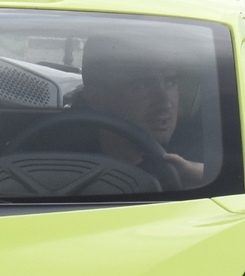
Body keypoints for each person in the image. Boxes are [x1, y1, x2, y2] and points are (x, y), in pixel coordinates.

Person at [73, 31, 208, 186]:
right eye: (141, 85)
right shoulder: (62, 154)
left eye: (170, 83)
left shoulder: (207, 147)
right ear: (95, 98)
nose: (165, 104)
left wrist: (198, 176)